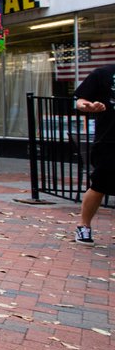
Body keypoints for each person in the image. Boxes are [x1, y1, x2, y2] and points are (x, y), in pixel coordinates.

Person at [74, 64, 114, 245]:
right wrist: (87, 106)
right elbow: (80, 100)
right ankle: (84, 226)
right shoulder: (104, 73)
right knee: (100, 185)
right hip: (110, 139)